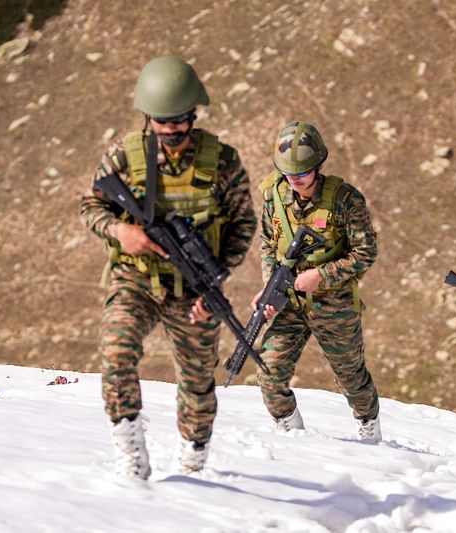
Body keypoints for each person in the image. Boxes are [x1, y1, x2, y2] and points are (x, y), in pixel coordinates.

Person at [80, 55, 256, 478]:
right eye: (163, 121)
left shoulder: (222, 161)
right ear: (148, 118)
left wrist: (213, 281)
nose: (173, 129)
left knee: (198, 384)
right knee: (116, 351)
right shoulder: (126, 156)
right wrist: (121, 233)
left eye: (181, 119)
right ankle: (132, 457)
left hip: (193, 292)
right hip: (136, 279)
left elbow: (244, 224)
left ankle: (193, 465)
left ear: (193, 114)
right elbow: (92, 205)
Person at [254, 121, 382, 442]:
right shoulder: (274, 196)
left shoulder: (345, 200)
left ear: (318, 166)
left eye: (303, 172)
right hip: (290, 301)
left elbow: (365, 253)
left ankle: (370, 432)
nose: (295, 179)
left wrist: (321, 276)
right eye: (289, 173)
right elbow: (268, 244)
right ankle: (295, 441)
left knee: (351, 377)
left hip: (334, 303)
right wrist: (270, 287)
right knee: (269, 372)